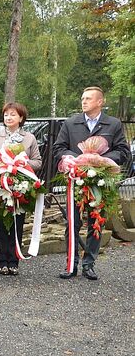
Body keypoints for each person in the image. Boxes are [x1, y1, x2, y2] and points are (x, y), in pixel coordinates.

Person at [53, 86, 131, 280]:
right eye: (82, 98)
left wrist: (101, 159)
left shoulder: (112, 124)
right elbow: (58, 148)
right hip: (76, 180)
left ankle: (89, 264)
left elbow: (123, 151)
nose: (84, 101)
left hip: (100, 182)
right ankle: (71, 264)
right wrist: (78, 158)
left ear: (100, 102)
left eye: (88, 98)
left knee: (95, 222)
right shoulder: (71, 123)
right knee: (73, 223)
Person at [0, 102, 43, 276]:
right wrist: (2, 164)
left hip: (21, 186)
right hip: (0, 186)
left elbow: (38, 161)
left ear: (21, 118)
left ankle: (14, 261)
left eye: (13, 114)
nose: (9, 117)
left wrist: (23, 164)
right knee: (1, 223)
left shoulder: (29, 138)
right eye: (6, 114)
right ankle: (1, 262)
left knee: (18, 223)